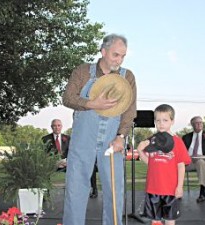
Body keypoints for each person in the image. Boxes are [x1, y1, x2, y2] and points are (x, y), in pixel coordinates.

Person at [62, 33, 137, 225]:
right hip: (82, 139)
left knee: (114, 191)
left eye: (122, 56)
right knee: (76, 189)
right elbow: (68, 98)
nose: (118, 60)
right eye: (115, 55)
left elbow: (130, 111)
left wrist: (121, 136)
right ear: (103, 51)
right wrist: (91, 103)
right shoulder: (83, 71)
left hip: (112, 141)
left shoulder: (127, 76)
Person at [137, 104, 191, 225]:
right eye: (158, 120)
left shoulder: (177, 141)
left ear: (172, 121)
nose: (161, 123)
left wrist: (179, 186)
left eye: (165, 120)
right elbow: (150, 163)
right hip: (153, 188)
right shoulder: (151, 141)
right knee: (155, 220)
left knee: (169, 219)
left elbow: (181, 166)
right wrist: (140, 151)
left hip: (170, 189)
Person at [182, 116, 205, 203]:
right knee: (175, 165)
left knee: (200, 162)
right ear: (192, 125)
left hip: (203, 160)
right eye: (197, 123)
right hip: (188, 161)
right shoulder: (186, 137)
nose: (199, 124)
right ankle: (174, 191)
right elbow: (181, 152)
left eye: (201, 122)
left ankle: (202, 193)